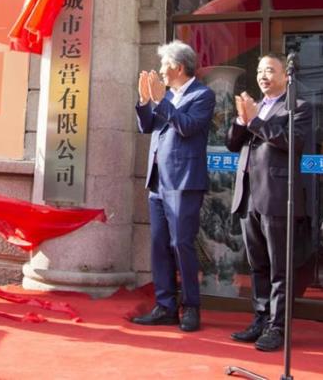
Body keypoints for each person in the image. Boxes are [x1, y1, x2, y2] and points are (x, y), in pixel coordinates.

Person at [226, 54, 312, 352]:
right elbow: (232, 143)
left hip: (276, 195)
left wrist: (256, 121)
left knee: (279, 267)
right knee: (257, 265)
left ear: (285, 76)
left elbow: (291, 141)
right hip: (248, 194)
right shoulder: (254, 106)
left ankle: (277, 327)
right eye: (260, 71)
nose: (263, 76)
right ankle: (260, 320)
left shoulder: (298, 107)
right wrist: (242, 120)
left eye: (270, 70)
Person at [131, 40, 215, 332]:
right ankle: (165, 306)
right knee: (159, 245)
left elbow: (187, 127)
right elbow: (147, 126)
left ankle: (191, 307)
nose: (160, 70)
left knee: (181, 244)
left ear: (179, 67)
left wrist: (160, 101)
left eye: (164, 65)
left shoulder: (202, 95)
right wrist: (145, 101)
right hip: (158, 181)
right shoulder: (165, 95)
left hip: (184, 181)